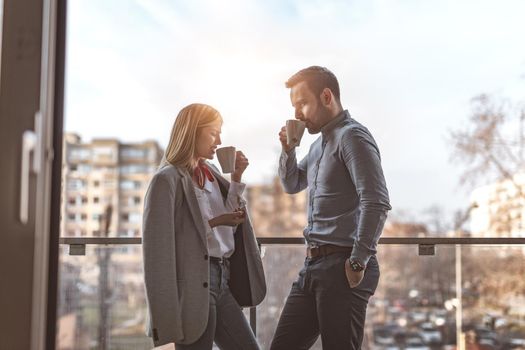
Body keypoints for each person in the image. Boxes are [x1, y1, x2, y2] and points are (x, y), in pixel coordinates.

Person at [270, 66, 391, 349]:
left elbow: (376, 201)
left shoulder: (353, 137)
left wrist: (358, 261)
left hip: (343, 266)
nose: (297, 113)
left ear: (326, 96)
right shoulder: (317, 146)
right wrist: (288, 150)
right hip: (313, 267)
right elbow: (291, 184)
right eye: (293, 106)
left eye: (302, 103)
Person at [142, 103, 266, 349]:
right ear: (192, 132)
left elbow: (227, 220)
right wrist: (166, 313)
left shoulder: (210, 173)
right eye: (213, 132)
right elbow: (158, 251)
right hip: (193, 283)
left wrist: (237, 178)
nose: (219, 140)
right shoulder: (165, 180)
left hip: (222, 280)